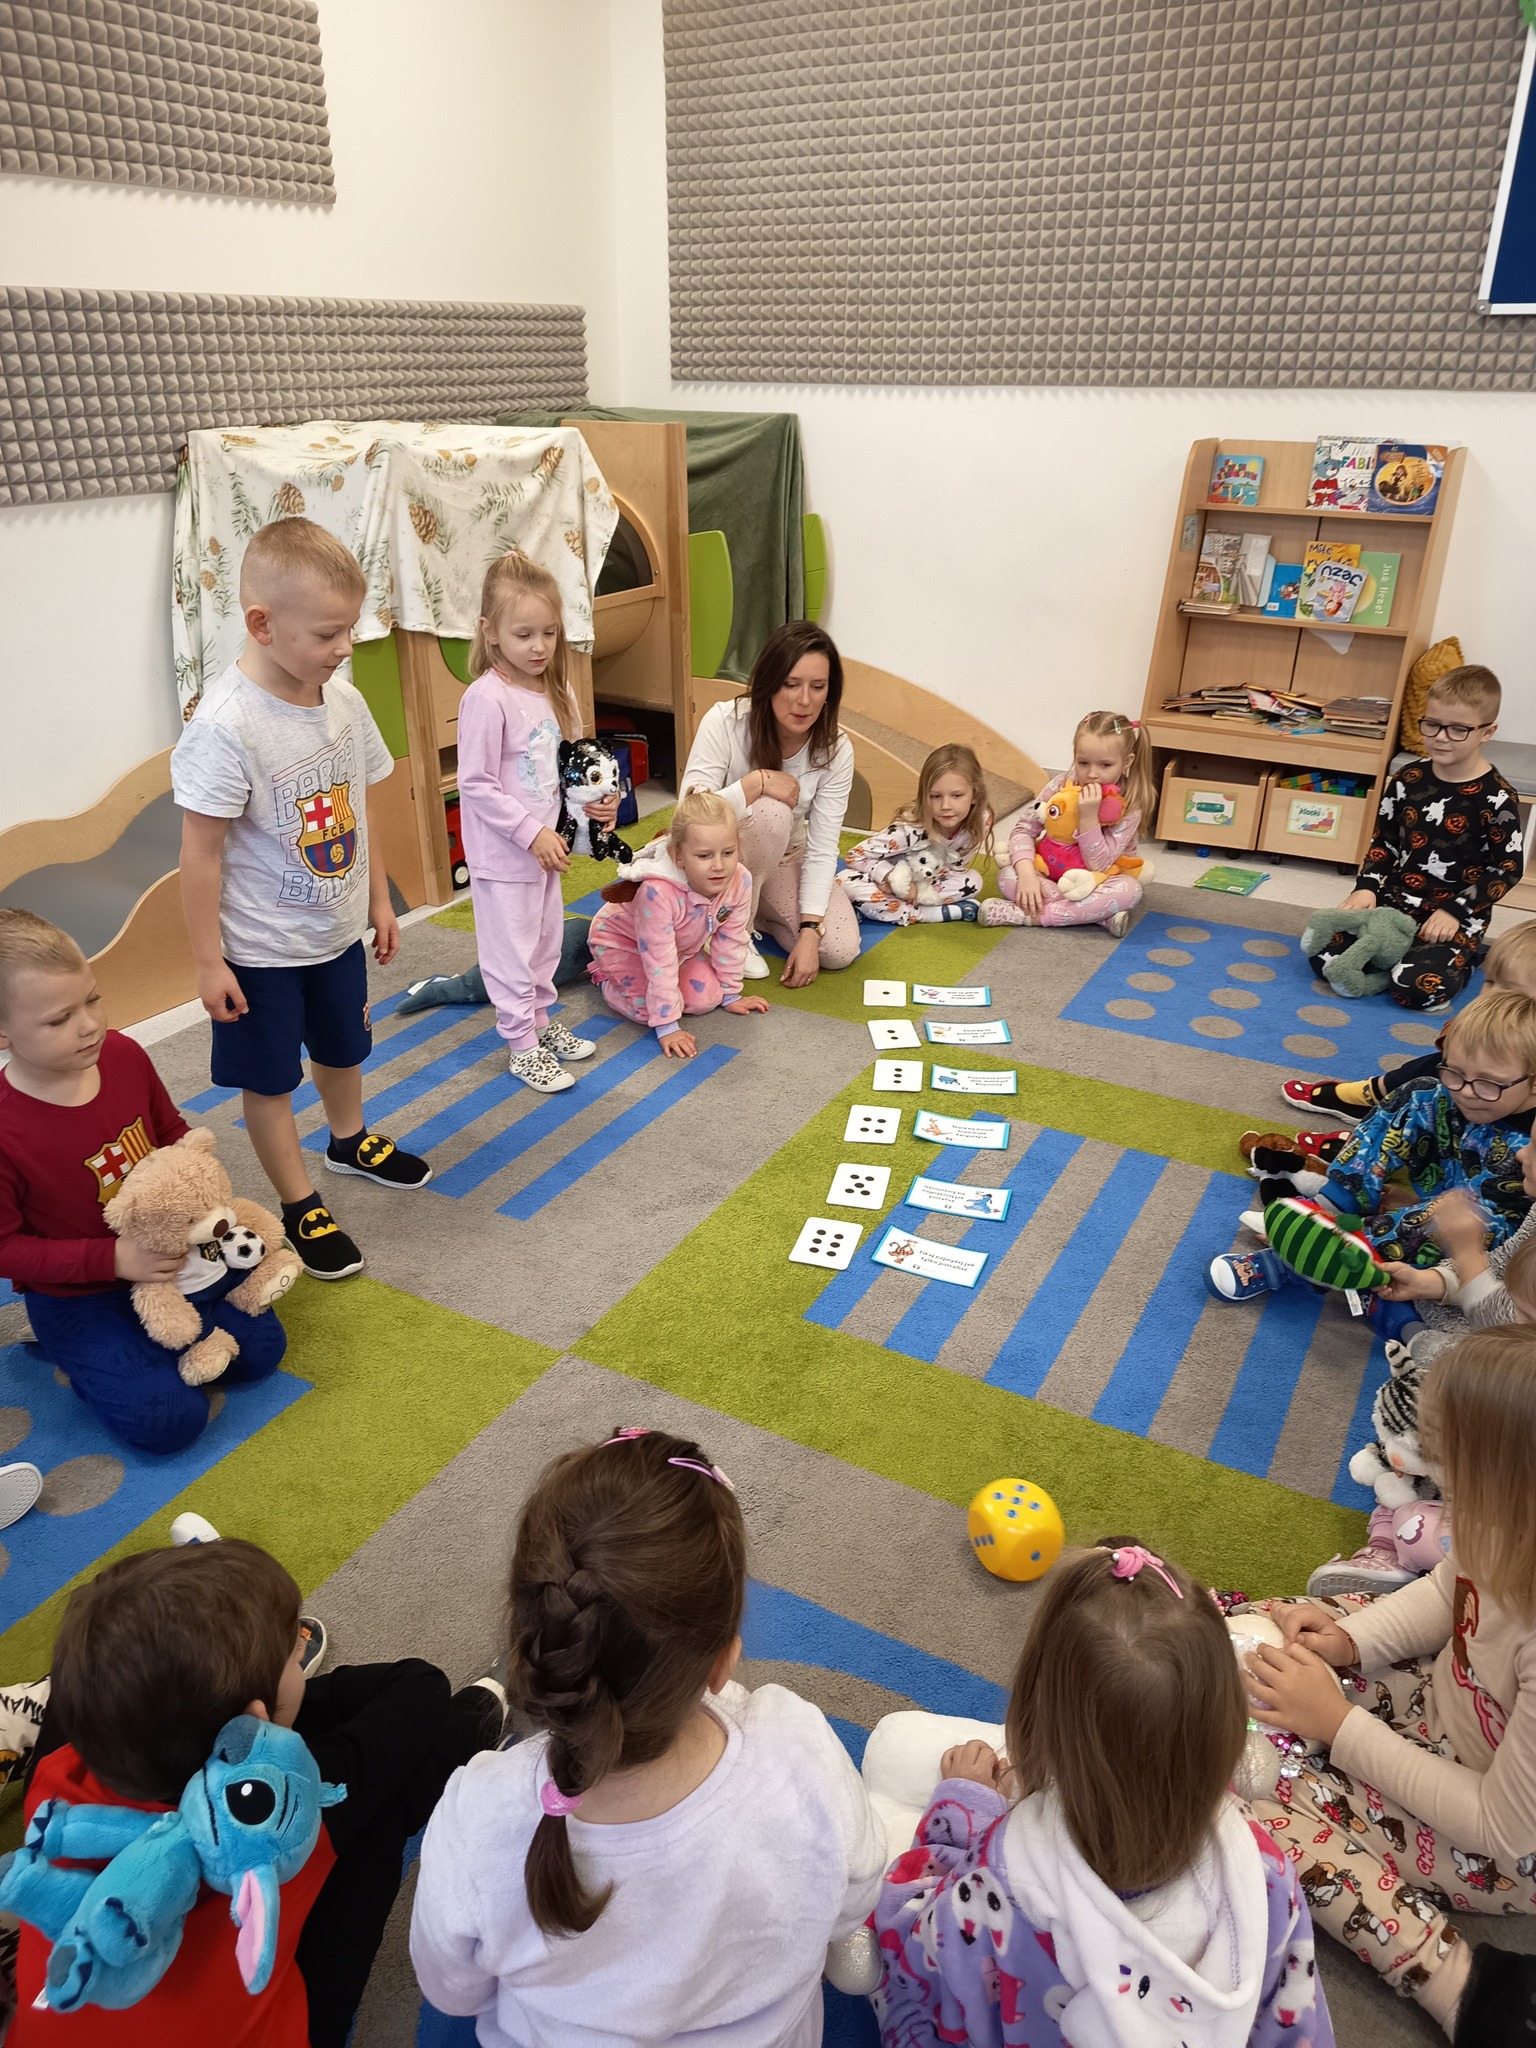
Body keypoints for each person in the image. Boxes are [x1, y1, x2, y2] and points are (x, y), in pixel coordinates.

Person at [410, 1425, 886, 2046]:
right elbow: (856, 1895)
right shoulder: (799, 1747)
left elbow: (453, 1990)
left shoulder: (476, 1816)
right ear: (722, 1663)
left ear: (531, 1644)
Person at [12, 1537, 506, 2046]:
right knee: (375, 1809)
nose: (300, 1649)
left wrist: (262, 1699)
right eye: (293, 1653)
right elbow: (419, 1688)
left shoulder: (55, 1774)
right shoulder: (283, 1810)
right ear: (253, 1717)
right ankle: (476, 1723)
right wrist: (279, 1720)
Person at [869, 1539, 1332, 2045]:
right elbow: (1296, 2021)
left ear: (1038, 1721)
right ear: (1223, 1732)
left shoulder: (1000, 1875)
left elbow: (912, 1964)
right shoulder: (1264, 1870)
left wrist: (962, 1809)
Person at [1239, 1328, 1536, 2040]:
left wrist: (1339, 1726)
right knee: (1272, 1634)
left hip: (1501, 1841)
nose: (1440, 1492)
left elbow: (1500, 1828)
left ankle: (1456, 1982)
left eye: (1453, 1477)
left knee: (1260, 1817)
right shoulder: (1500, 1525)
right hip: (1448, 1697)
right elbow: (1444, 1592)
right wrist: (1351, 1642)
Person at [174, 517, 431, 1285]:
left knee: (344, 1049)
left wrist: (379, 900)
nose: (345, 646)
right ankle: (298, 1201)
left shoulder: (342, 701)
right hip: (260, 952)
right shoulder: (226, 726)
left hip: (336, 933)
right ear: (263, 625)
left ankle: (348, 1140)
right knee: (271, 1080)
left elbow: (360, 807)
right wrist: (208, 962)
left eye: (348, 628)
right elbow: (199, 854)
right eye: (328, 633)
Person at [0, 909, 281, 1456]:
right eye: (59, 1020)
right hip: (79, 1297)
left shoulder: (123, 1053)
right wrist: (110, 1260)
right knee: (169, 1422)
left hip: (176, 1264)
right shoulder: (8, 1129)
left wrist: (204, 1189)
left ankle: (150, 1351)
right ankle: (79, 1359)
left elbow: (169, 1132)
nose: (89, 1025)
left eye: (92, 999)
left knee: (260, 1354)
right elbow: (6, 1248)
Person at [1208, 989, 1536, 1302]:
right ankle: (1334, 1203)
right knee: (1421, 1091)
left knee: (1460, 1215)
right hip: (1448, 1182)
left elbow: (1492, 1225)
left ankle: (1308, 1261)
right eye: (1454, 1072)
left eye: (1487, 1083)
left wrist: (1432, 1213)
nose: (1464, 1090)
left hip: (1481, 1235)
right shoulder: (1465, 1093)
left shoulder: (1529, 1147)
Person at [456, 553, 620, 1096]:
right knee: (510, 952)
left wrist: (598, 805)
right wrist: (531, 833)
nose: (539, 646)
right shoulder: (487, 698)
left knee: (545, 943)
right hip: (506, 857)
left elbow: (570, 768)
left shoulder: (555, 691)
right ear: (490, 632)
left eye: (549, 632)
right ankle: (521, 1044)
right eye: (523, 634)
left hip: (546, 853)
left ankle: (541, 1022)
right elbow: (476, 783)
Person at [1304, 665, 1522, 1014]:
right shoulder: (1408, 778)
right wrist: (1366, 888)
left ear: (1487, 732)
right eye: (1432, 724)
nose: (1441, 737)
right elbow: (1385, 841)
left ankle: (1460, 961)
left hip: (1455, 915)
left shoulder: (1498, 798)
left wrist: (1456, 910)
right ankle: (1395, 958)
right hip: (1395, 904)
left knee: (1414, 990)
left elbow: (1507, 869)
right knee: (1323, 955)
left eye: (1458, 729)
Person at [680, 621, 859, 989]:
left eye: (818, 687)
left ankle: (751, 907)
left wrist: (810, 930)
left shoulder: (836, 749)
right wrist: (754, 784)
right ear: (769, 682)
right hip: (714, 854)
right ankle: (735, 931)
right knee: (771, 811)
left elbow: (823, 847)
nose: (804, 700)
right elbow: (687, 813)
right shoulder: (725, 721)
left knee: (838, 950)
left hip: (783, 855)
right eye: (791, 684)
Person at [1282, 921, 1536, 1125]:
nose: (1491, 995)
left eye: (1509, 990)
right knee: (1435, 1069)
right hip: (1467, 1112)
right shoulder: (1486, 1017)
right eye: (1490, 982)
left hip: (1509, 1137)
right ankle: (1375, 1095)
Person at [587, 790, 769, 1055]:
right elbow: (659, 960)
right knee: (648, 1011)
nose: (719, 866)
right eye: (704, 856)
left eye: (728, 852)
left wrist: (730, 993)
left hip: (678, 947)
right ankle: (603, 974)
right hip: (619, 941)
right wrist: (667, 1025)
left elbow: (732, 938)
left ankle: (675, 994)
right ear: (678, 856)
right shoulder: (657, 893)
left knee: (707, 999)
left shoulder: (741, 879)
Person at [988, 709, 1156, 936]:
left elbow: (1099, 865)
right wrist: (1027, 875)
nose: (1092, 774)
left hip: (1098, 881)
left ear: (1127, 762)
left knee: (1130, 890)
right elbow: (1023, 829)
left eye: (1105, 765)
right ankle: (1096, 917)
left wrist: (1089, 818)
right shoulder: (1060, 785)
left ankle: (1032, 916)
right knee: (1007, 877)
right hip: (1050, 873)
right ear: (1075, 755)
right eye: (1083, 762)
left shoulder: (1130, 804)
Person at [836, 743, 992, 926]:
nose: (946, 806)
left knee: (973, 881)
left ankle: (875, 910)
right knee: (843, 882)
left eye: (957, 795)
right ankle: (929, 913)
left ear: (975, 795)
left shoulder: (981, 821)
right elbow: (855, 856)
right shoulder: (910, 829)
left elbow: (955, 867)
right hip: (889, 879)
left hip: (926, 880)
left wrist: (919, 888)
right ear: (924, 796)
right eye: (935, 796)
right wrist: (888, 876)